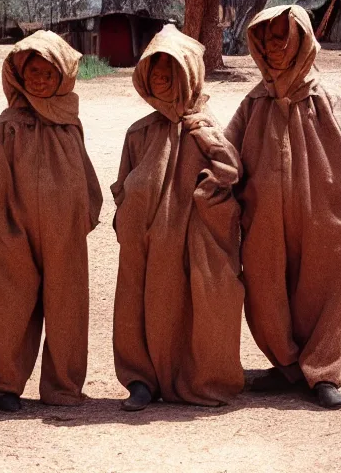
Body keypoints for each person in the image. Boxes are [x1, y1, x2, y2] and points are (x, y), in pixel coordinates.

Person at [226, 5, 341, 409]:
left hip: (326, 219)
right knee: (265, 289)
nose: (273, 47)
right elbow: (226, 153)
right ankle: (287, 365)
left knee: (322, 292)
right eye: (266, 38)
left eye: (281, 36)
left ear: (301, 38)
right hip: (264, 222)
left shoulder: (326, 97)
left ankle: (322, 371)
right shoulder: (255, 102)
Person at [111, 24, 244, 411]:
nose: (163, 80)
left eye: (172, 73)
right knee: (140, 303)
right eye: (155, 72)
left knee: (199, 305)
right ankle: (140, 379)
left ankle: (201, 378)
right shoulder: (139, 133)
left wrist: (205, 156)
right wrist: (129, 218)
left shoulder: (205, 126)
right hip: (146, 240)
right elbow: (123, 181)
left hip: (196, 240)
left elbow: (230, 173)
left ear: (189, 75)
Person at [0, 30, 103, 411]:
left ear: (62, 76)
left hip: (64, 235)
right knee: (11, 307)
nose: (40, 79)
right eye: (32, 71)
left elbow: (86, 177)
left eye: (49, 73)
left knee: (67, 307)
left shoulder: (68, 124)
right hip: (13, 234)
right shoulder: (8, 126)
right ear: (18, 74)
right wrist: (3, 231)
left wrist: (83, 216)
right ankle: (6, 383)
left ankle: (63, 386)